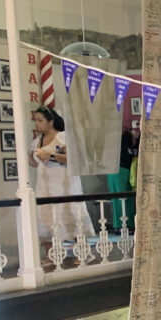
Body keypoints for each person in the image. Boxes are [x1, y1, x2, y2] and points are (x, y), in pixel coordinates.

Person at [28, 106, 92, 247]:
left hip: (65, 186)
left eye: (40, 120)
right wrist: (28, 156)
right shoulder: (37, 141)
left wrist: (51, 155)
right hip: (45, 187)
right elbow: (34, 163)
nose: (37, 123)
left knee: (71, 217)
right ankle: (52, 255)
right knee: (46, 220)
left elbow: (73, 158)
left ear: (50, 122)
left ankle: (82, 251)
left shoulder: (62, 137)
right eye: (36, 120)